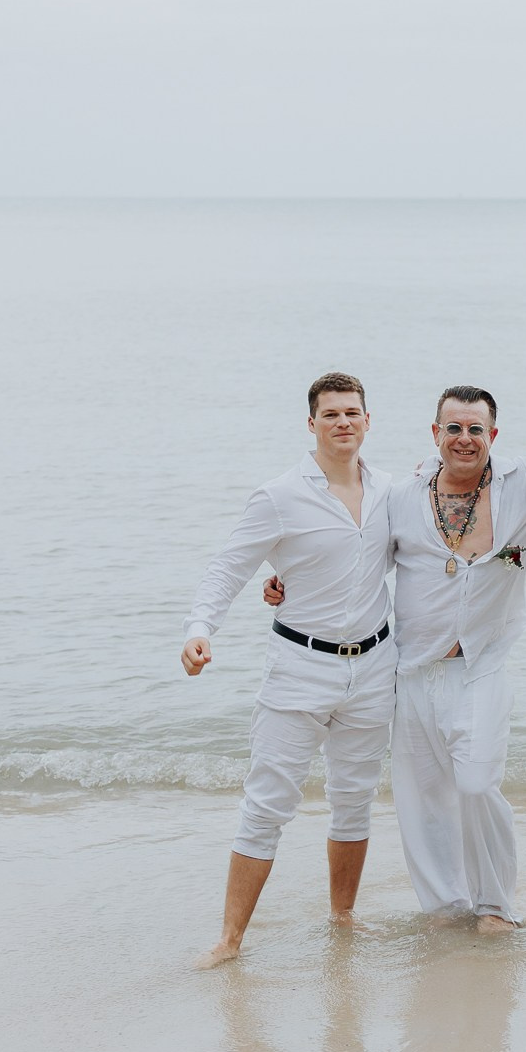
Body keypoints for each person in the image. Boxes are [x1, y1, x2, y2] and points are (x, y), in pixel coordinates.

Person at [266, 385, 526, 932]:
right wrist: (289, 580)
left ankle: (495, 906)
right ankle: (443, 907)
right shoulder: (402, 496)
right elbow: (355, 554)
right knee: (423, 800)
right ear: (435, 434)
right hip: (410, 669)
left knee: (478, 783)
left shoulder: (525, 482)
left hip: (481, 666)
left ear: (494, 436)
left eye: (475, 429)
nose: (464, 439)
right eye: (453, 429)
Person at [180, 371, 397, 969]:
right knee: (268, 803)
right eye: (331, 414)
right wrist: (200, 631)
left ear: (368, 419)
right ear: (312, 423)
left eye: (353, 412)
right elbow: (229, 567)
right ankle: (229, 940)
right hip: (299, 666)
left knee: (354, 799)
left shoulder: (391, 492)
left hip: (375, 666)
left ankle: (344, 917)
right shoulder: (279, 495)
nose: (344, 422)